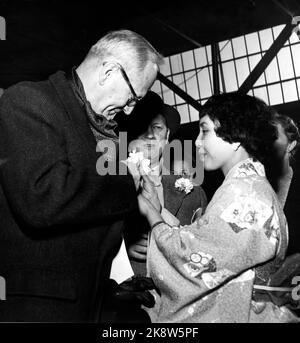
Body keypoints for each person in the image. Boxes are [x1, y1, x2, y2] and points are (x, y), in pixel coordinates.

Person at [0, 29, 163, 322]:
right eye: (133, 97)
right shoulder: (28, 101)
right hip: (38, 307)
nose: (129, 109)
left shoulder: (102, 131)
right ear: (109, 71)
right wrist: (125, 179)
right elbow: (42, 199)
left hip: (90, 304)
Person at [136, 92, 299, 323]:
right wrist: (157, 208)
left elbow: (193, 259)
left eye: (204, 131)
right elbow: (207, 241)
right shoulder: (246, 186)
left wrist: (152, 214)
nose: (197, 142)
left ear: (234, 138)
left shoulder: (245, 194)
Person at [124, 91, 207, 277]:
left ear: (167, 135)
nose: (150, 135)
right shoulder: (107, 187)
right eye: (142, 127)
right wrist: (122, 246)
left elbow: (205, 249)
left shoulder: (194, 194)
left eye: (157, 128)